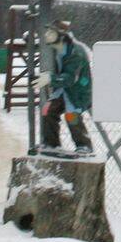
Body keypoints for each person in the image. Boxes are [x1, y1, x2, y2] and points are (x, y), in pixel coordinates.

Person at [38, 22, 93, 155]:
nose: (47, 35)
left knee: (71, 115)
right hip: (62, 90)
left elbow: (70, 78)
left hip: (77, 91)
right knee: (48, 110)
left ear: (61, 36)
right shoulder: (54, 49)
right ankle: (51, 143)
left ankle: (84, 145)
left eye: (51, 33)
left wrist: (50, 79)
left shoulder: (76, 52)